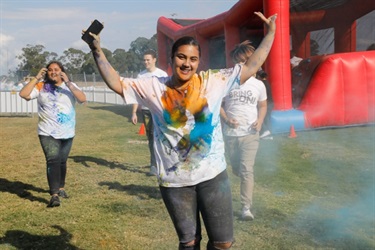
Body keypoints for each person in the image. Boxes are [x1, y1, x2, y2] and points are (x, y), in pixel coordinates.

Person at [83, 11, 276, 249]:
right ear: (172, 59)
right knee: (189, 242)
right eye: (181, 57)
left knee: (223, 243)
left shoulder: (213, 81)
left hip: (213, 176)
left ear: (199, 61)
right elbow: (116, 82)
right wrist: (97, 51)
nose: (187, 63)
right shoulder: (154, 87)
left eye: (193, 59)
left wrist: (271, 34)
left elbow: (252, 65)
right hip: (175, 181)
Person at [19, 61, 86, 208]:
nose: (53, 72)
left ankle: (61, 188)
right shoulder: (41, 86)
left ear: (62, 71)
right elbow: (23, 94)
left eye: (56, 69)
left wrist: (67, 82)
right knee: (53, 159)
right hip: (46, 132)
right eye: (50, 70)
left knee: (62, 161)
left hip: (67, 131)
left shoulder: (70, 86)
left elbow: (82, 99)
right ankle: (54, 195)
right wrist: (36, 78)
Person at [220, 40, 268, 220]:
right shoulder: (228, 82)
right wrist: (226, 119)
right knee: (236, 169)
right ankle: (240, 177)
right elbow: (218, 105)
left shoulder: (258, 85)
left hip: (250, 135)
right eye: (237, 62)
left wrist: (260, 120)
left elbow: (263, 105)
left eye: (243, 61)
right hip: (230, 135)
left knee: (247, 170)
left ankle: (246, 208)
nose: (240, 65)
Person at [131, 50, 168, 176]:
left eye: (148, 59)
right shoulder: (141, 76)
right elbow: (137, 96)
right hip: (147, 111)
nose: (146, 62)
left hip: (160, 111)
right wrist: (134, 112)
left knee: (163, 137)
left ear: (154, 60)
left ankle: (165, 162)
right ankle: (154, 164)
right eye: (144, 60)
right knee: (151, 137)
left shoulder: (162, 74)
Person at [257, 70, 273, 139]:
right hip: (270, 103)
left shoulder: (261, 84)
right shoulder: (266, 83)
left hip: (267, 103)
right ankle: (268, 133)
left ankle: (265, 131)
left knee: (261, 117)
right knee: (267, 118)